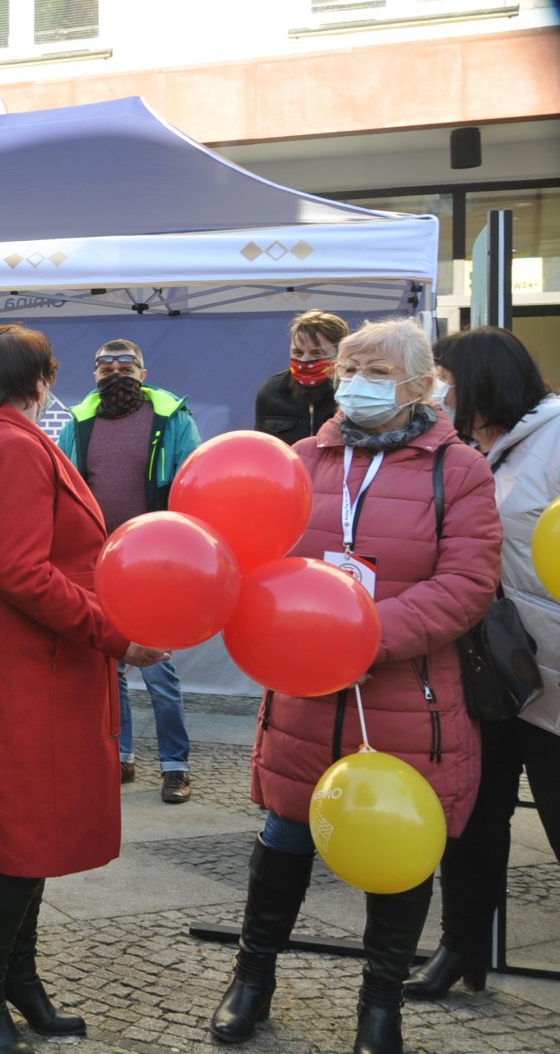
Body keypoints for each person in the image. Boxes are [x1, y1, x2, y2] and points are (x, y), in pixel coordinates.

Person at [209, 318, 498, 1054]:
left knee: (395, 852)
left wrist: (364, 636)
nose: (352, 382)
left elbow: (467, 583)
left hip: (406, 697)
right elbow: (260, 560)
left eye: (373, 370)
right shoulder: (302, 459)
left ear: (418, 384)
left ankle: (379, 1006)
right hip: (305, 697)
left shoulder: (458, 468)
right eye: (348, 368)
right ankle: (251, 979)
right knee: (284, 838)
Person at [0, 324, 169, 1053]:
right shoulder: (9, 443)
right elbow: (22, 572)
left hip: (23, 656)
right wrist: (116, 635)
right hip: (21, 661)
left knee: (27, 836)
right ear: (37, 381)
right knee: (19, 839)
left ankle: (15, 982)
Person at [405, 327, 560, 999]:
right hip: (482, 671)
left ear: (481, 381)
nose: (436, 393)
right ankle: (460, 948)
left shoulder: (555, 437)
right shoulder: (459, 450)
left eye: (445, 380)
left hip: (553, 679)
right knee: (469, 818)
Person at [57, 339, 201, 803]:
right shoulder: (77, 423)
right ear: (93, 374)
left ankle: (175, 766)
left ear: (143, 373)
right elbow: (62, 489)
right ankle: (121, 757)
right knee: (109, 666)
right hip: (97, 562)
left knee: (159, 670)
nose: (115, 372)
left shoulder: (172, 418)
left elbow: (193, 483)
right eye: (105, 366)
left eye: (126, 365)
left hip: (155, 565)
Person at [253, 309, 349, 446]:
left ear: (340, 355)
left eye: (317, 353)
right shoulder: (271, 391)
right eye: (298, 353)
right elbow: (261, 446)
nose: (305, 360)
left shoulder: (350, 393)